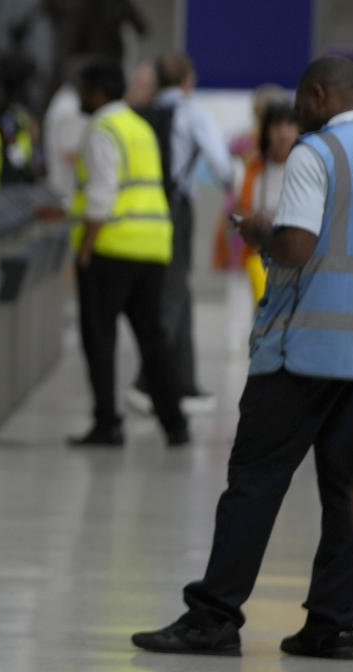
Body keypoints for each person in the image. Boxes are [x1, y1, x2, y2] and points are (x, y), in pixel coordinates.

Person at [132, 56, 353, 660]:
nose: (295, 114)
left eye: (301, 100)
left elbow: (296, 245)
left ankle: (213, 616)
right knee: (348, 491)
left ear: (320, 94)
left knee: (255, 483)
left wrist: (260, 231)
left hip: (304, 350)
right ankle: (332, 624)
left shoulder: (314, 154)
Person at [64, 57, 188, 448]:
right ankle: (175, 424)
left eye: (84, 89)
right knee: (153, 338)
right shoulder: (139, 125)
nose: (81, 97)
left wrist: (85, 249)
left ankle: (107, 423)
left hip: (113, 246)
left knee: (99, 338)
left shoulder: (102, 127)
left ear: (98, 93)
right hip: (152, 244)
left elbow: (101, 196)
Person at [125, 51, 233, 417]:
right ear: (187, 79)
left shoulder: (144, 112)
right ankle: (147, 383)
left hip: (145, 207)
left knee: (178, 293)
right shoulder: (193, 113)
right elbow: (221, 165)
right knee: (171, 295)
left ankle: (184, 382)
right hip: (177, 209)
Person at [233, 101, 298, 305]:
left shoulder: (306, 168)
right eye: (277, 126)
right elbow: (241, 208)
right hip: (256, 258)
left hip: (294, 260)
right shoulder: (255, 168)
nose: (283, 133)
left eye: (289, 125)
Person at [43, 57, 90, 206]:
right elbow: (71, 155)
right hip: (67, 196)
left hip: (62, 193)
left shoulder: (63, 101)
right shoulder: (71, 108)